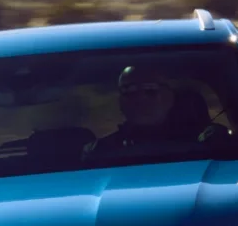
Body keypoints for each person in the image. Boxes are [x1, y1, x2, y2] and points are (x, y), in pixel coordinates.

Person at [92, 64, 226, 160]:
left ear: (169, 97)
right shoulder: (100, 152)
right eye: (129, 91)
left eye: (150, 90)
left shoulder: (211, 143)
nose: (140, 98)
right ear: (120, 102)